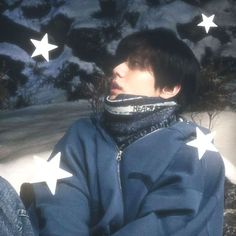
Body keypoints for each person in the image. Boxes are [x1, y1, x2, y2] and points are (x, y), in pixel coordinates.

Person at [27, 28, 225, 236]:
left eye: (136, 64)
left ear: (170, 88)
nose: (118, 69)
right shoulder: (83, 135)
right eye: (121, 61)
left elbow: (167, 225)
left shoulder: (192, 153)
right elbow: (60, 208)